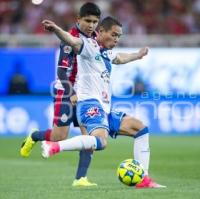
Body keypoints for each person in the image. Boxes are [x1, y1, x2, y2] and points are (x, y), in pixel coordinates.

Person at [41, 16, 166, 188]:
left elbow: (120, 58)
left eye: (119, 36)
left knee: (140, 129)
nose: (116, 39)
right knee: (101, 142)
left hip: (104, 109)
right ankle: (54, 146)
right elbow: (72, 41)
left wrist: (137, 55)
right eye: (113, 35)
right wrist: (56, 29)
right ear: (100, 32)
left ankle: (142, 178)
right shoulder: (89, 47)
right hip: (89, 105)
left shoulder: (105, 53)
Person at [20, 2, 101, 187]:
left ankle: (81, 179)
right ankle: (34, 136)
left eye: (95, 22)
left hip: (86, 94)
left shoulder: (96, 38)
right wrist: (71, 92)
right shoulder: (69, 38)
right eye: (88, 21)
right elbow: (62, 72)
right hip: (66, 91)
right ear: (78, 19)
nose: (91, 25)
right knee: (59, 136)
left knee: (88, 135)